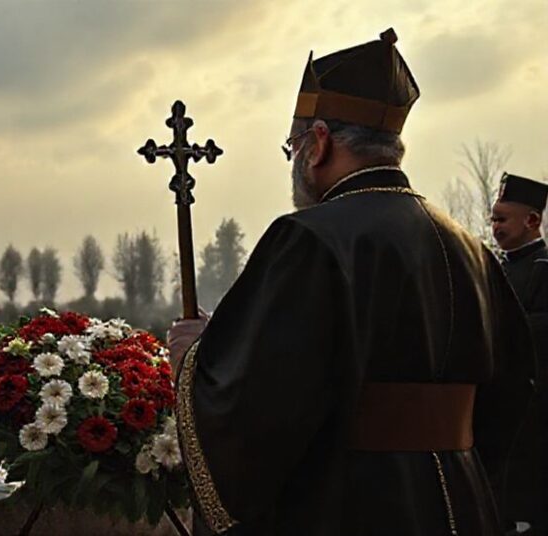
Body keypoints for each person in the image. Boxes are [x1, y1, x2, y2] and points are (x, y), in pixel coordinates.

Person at [167, 29, 535, 535]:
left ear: (319, 143)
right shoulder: (472, 250)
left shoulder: (309, 239)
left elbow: (260, 408)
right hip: (463, 502)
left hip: (353, 505)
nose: (294, 159)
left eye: (292, 145)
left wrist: (195, 361)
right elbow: (511, 394)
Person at [491, 172, 548, 534]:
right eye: (492, 218)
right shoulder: (495, 269)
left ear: (532, 221)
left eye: (501, 219)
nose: (494, 226)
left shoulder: (543, 271)